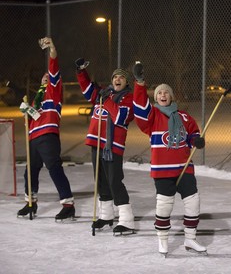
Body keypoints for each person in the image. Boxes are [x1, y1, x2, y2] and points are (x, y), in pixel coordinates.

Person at [132, 62, 207, 256]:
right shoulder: (151, 117)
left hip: (184, 168)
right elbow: (139, 108)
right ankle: (163, 240)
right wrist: (140, 83)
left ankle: (190, 239)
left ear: (171, 96)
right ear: (155, 97)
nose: (163, 95)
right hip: (163, 170)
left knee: (193, 202)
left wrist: (196, 140)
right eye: (159, 93)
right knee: (164, 205)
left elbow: (192, 134)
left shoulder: (184, 116)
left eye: (166, 92)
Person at [75, 58, 135, 235]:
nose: (117, 79)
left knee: (114, 181)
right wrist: (80, 71)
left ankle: (126, 221)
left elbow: (119, 117)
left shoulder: (128, 98)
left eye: (121, 78)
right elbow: (87, 90)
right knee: (101, 182)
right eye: (115, 77)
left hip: (113, 146)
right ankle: (106, 216)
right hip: (96, 142)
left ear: (126, 82)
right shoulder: (104, 93)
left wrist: (106, 101)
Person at [18, 37, 75, 221]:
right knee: (30, 171)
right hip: (33, 137)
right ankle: (30, 203)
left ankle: (68, 205)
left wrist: (52, 48)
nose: (46, 76)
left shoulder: (54, 91)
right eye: (43, 76)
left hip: (48, 135)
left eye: (48, 75)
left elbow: (53, 65)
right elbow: (32, 117)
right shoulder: (37, 98)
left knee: (53, 168)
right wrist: (26, 111)